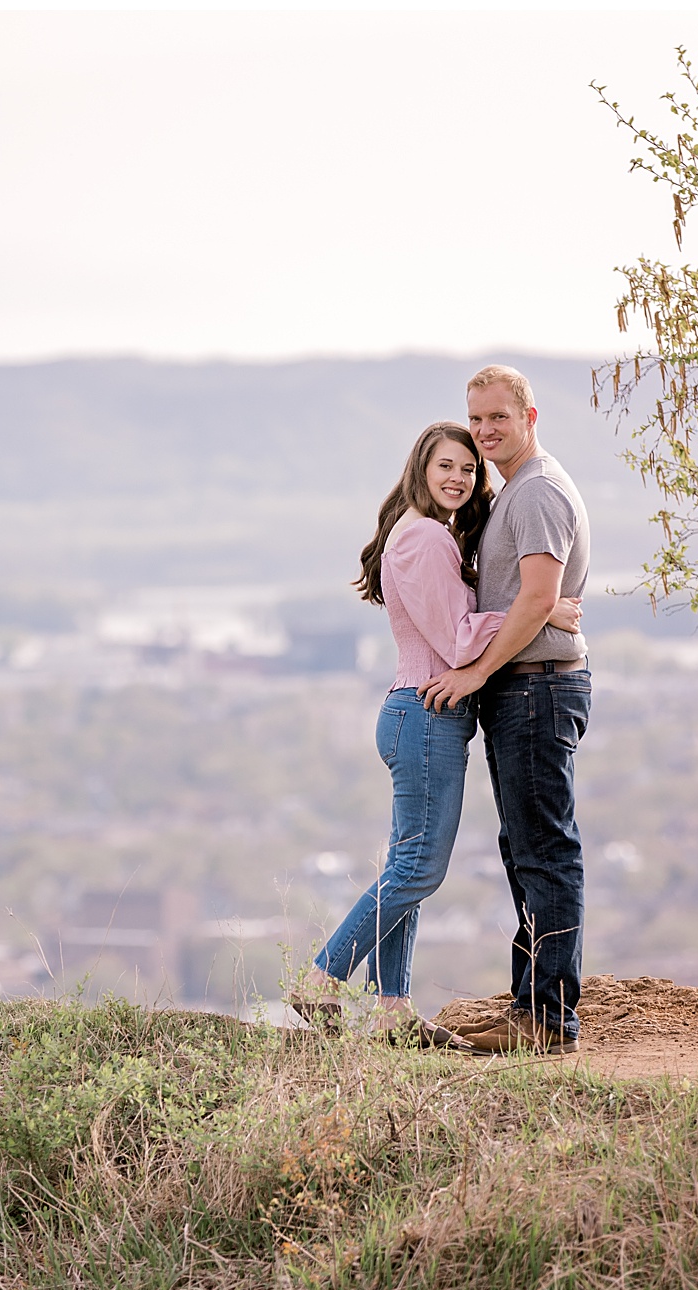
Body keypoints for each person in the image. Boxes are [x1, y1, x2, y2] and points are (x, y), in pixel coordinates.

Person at [292, 419, 581, 1046]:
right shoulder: (424, 538)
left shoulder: (430, 535)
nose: (459, 478)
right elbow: (457, 638)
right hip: (426, 713)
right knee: (420, 870)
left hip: (422, 712)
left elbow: (455, 615)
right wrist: (539, 608)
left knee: (406, 868)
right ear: (421, 469)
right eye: (446, 465)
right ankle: (323, 977)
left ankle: (393, 1012)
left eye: (469, 469)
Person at [420, 365, 592, 1054]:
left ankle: (549, 1020)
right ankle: (531, 1006)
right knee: (524, 849)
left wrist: (474, 672)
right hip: (523, 685)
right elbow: (534, 598)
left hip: (536, 686)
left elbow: (534, 596)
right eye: (477, 418)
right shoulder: (513, 492)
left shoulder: (538, 490)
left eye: (500, 417)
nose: (487, 430)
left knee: (546, 852)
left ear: (530, 416)